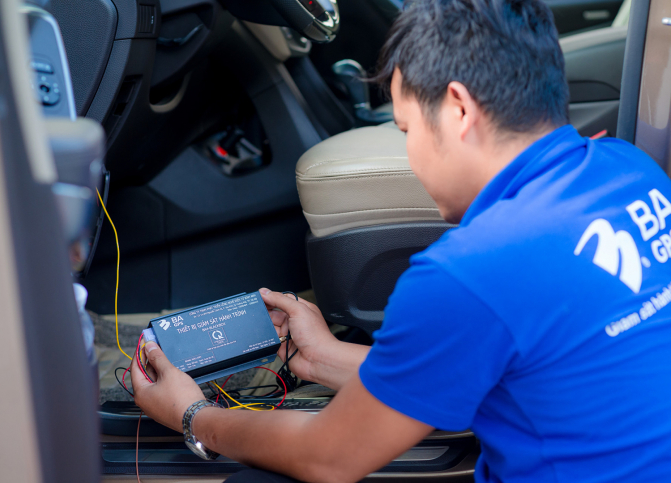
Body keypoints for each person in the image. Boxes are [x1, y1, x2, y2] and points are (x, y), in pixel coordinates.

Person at [131, 0, 671, 481]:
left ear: (458, 109)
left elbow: (328, 457)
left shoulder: (471, 268)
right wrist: (324, 358)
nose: (409, 152)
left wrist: (193, 415)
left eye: (408, 129)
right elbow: (476, 371)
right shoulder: (633, 173)